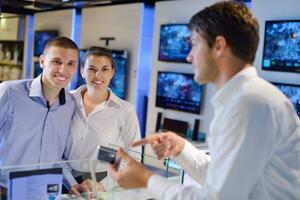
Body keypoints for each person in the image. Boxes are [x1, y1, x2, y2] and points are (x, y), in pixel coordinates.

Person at [109, 1, 300, 200]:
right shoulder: (245, 99)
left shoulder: (250, 103)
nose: (189, 57)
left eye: (194, 44)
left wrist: (145, 179)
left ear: (218, 46)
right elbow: (224, 180)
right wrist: (182, 149)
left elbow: (217, 197)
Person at [0, 36, 93, 196]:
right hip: (6, 191)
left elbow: (56, 157)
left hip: (46, 191)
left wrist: (72, 184)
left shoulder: (70, 104)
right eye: (56, 62)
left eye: (71, 64)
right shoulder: (10, 92)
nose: (63, 70)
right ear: (42, 61)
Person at [64, 46, 141, 194]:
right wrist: (71, 182)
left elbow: (134, 158)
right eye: (92, 69)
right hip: (66, 181)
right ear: (82, 71)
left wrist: (104, 185)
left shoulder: (125, 110)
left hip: (104, 184)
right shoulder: (66, 102)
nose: (98, 75)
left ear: (112, 72)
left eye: (104, 69)